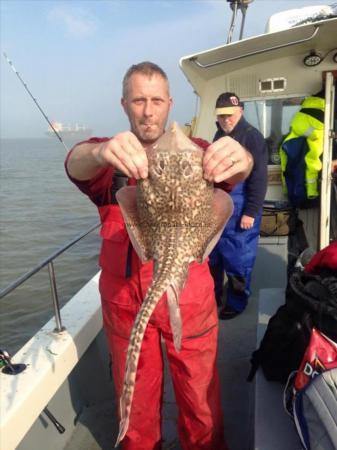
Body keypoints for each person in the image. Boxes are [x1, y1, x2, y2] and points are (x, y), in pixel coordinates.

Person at [65, 62, 253, 450]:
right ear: (124, 105)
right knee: (134, 403)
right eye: (138, 101)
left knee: (199, 398)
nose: (148, 111)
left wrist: (244, 157)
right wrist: (99, 151)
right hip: (125, 300)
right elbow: (75, 163)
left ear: (169, 104)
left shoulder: (198, 152)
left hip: (190, 290)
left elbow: (236, 174)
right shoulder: (113, 156)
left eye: (155, 101)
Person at [209, 92, 268, 320]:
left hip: (242, 210)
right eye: (222, 116)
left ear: (240, 111)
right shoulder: (218, 134)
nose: (226, 120)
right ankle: (213, 295)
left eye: (230, 115)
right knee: (213, 258)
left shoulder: (252, 137)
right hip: (220, 211)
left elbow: (260, 178)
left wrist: (251, 212)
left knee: (238, 260)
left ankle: (236, 302)